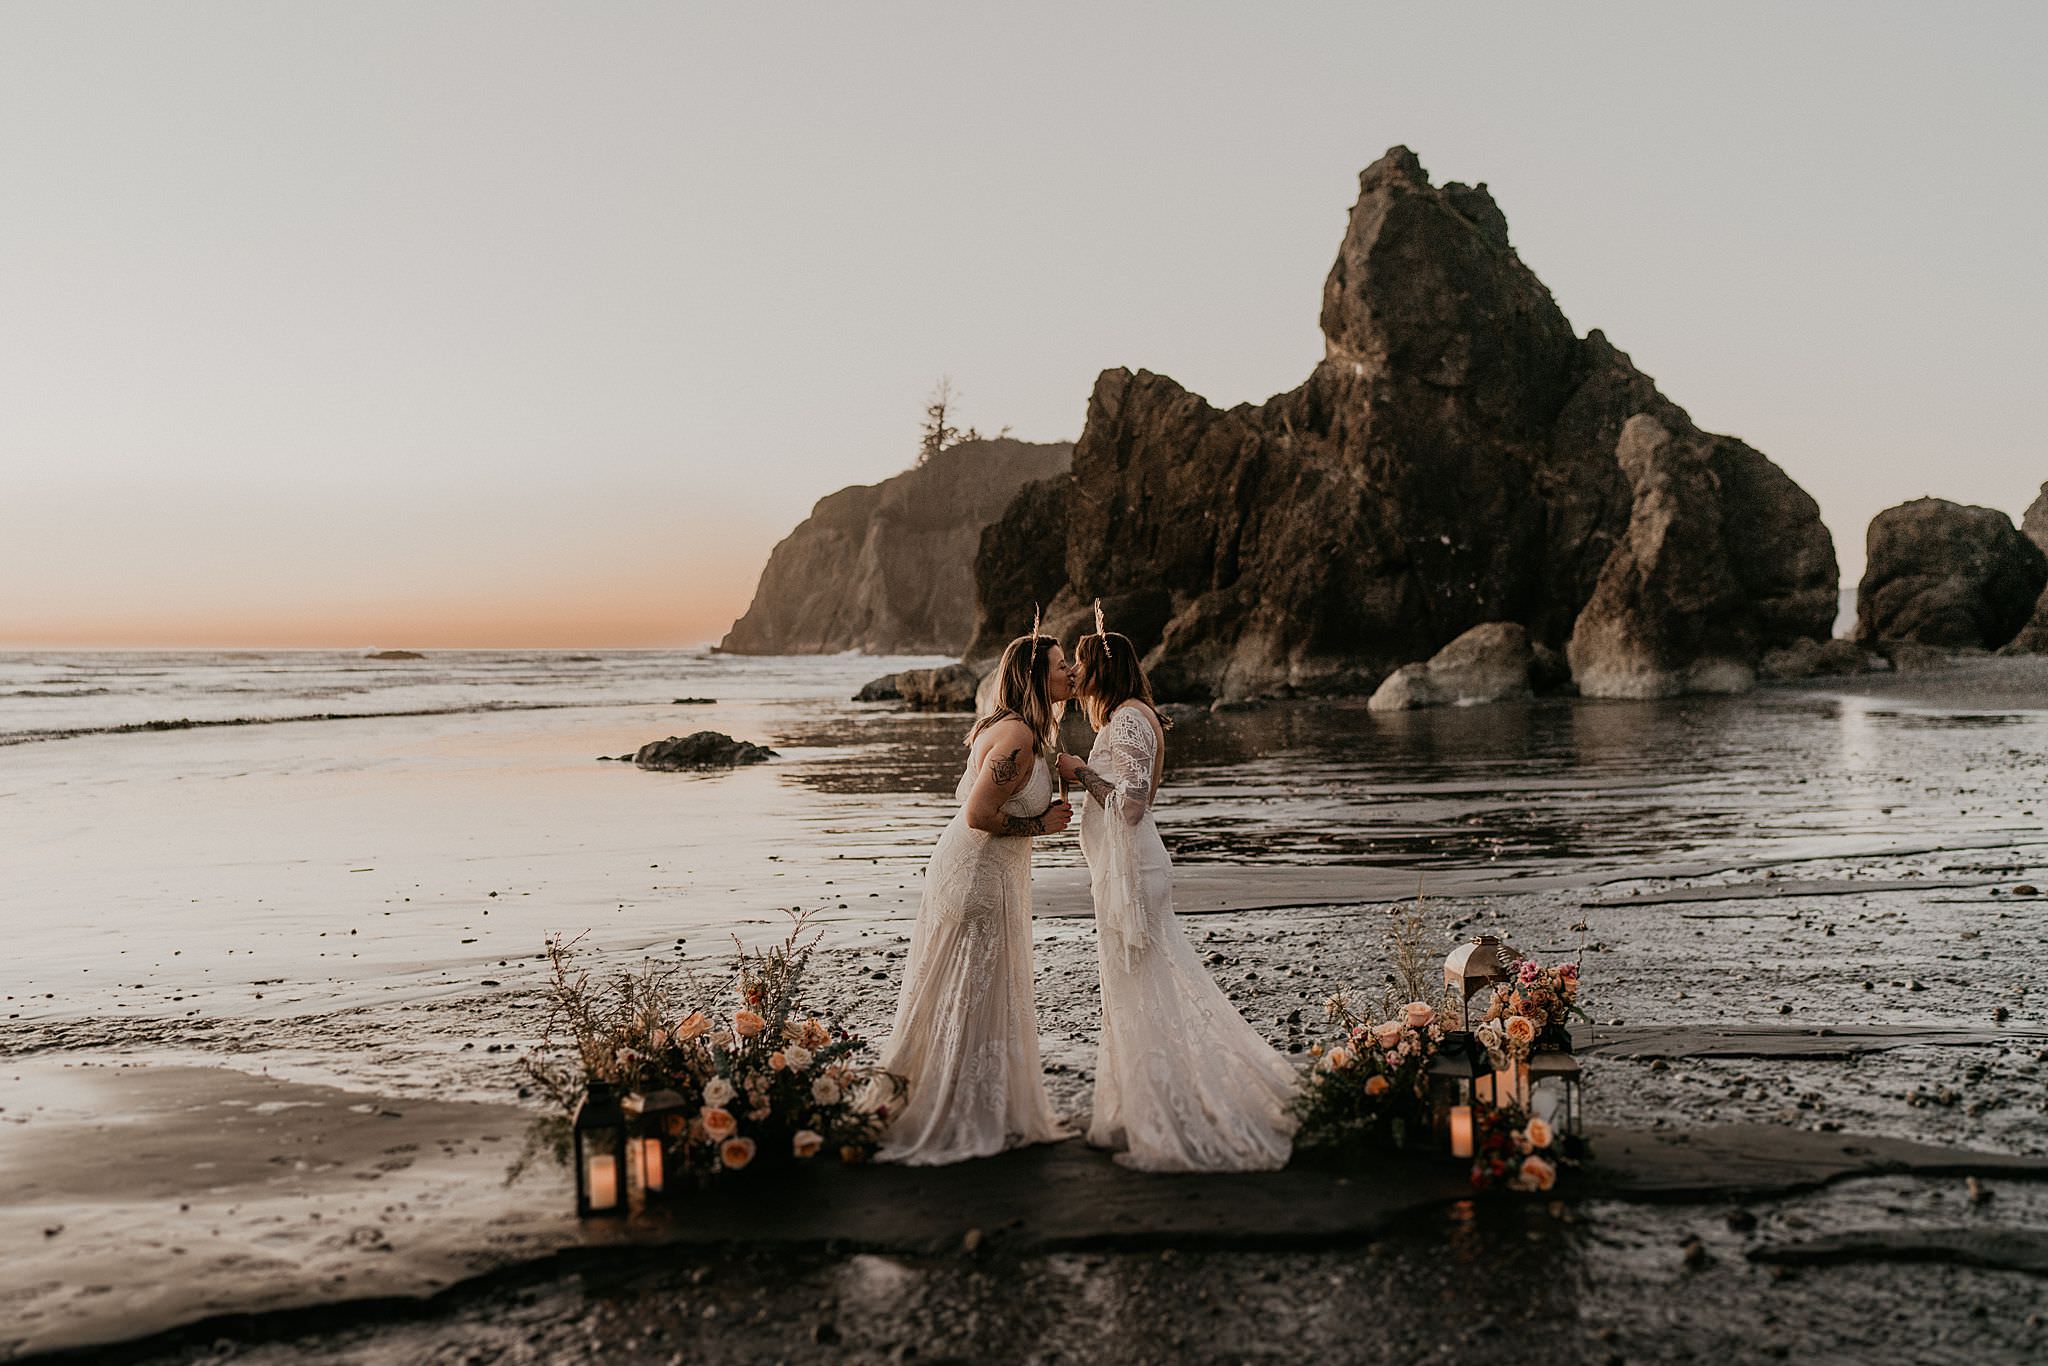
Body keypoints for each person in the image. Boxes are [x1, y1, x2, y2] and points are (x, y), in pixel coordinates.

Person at [1059, 620, 1297, 1171]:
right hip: (1128, 870)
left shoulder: (1126, 721)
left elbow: (1132, 803)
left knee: (1146, 988)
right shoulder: (1131, 716)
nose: (1075, 674)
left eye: (1081, 664)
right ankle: (1142, 1105)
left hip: (1135, 873)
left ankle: (1167, 1114)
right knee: (1136, 990)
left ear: (1102, 669)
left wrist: (1079, 771)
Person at [876, 632, 1076, 1164]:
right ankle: (954, 1110)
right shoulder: (1015, 737)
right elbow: (980, 816)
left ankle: (979, 1102)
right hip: (977, 876)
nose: (1071, 671)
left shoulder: (1023, 731)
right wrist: (1042, 823)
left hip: (987, 871)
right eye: (1060, 666)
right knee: (970, 988)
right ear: (1036, 677)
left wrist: (1057, 770)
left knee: (973, 989)